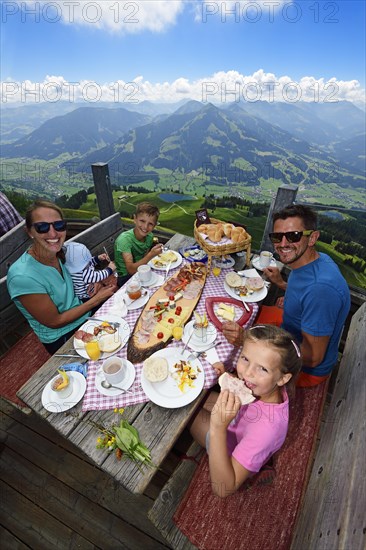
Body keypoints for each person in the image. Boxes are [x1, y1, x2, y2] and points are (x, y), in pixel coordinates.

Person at [223, 204, 350, 387]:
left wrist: (247, 342)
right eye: (277, 237)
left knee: (234, 356)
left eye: (293, 236)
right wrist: (283, 285)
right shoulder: (313, 260)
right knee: (245, 315)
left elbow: (313, 357)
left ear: (312, 237)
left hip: (305, 369)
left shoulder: (321, 290)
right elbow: (306, 291)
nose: (283, 244)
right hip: (290, 328)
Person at [190, 325, 302, 498]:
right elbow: (249, 379)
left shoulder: (267, 430)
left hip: (228, 445)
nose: (248, 373)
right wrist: (230, 377)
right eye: (245, 359)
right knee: (195, 396)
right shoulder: (265, 388)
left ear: (282, 378)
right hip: (237, 421)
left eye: (262, 368)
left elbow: (223, 489)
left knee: (187, 412)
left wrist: (218, 428)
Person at [7, 200, 115, 354]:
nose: (53, 234)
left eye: (58, 225)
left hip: (85, 313)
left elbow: (80, 275)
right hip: (62, 335)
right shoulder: (23, 276)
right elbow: (54, 321)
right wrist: (96, 300)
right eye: (42, 227)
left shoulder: (60, 252)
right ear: (30, 232)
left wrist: (97, 281)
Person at [114, 202, 163, 286]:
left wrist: (152, 254)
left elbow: (144, 257)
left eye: (150, 224)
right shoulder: (124, 240)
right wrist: (151, 254)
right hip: (125, 278)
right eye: (142, 221)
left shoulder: (149, 236)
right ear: (135, 219)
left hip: (142, 271)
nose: (145, 227)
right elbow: (131, 270)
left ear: (154, 226)